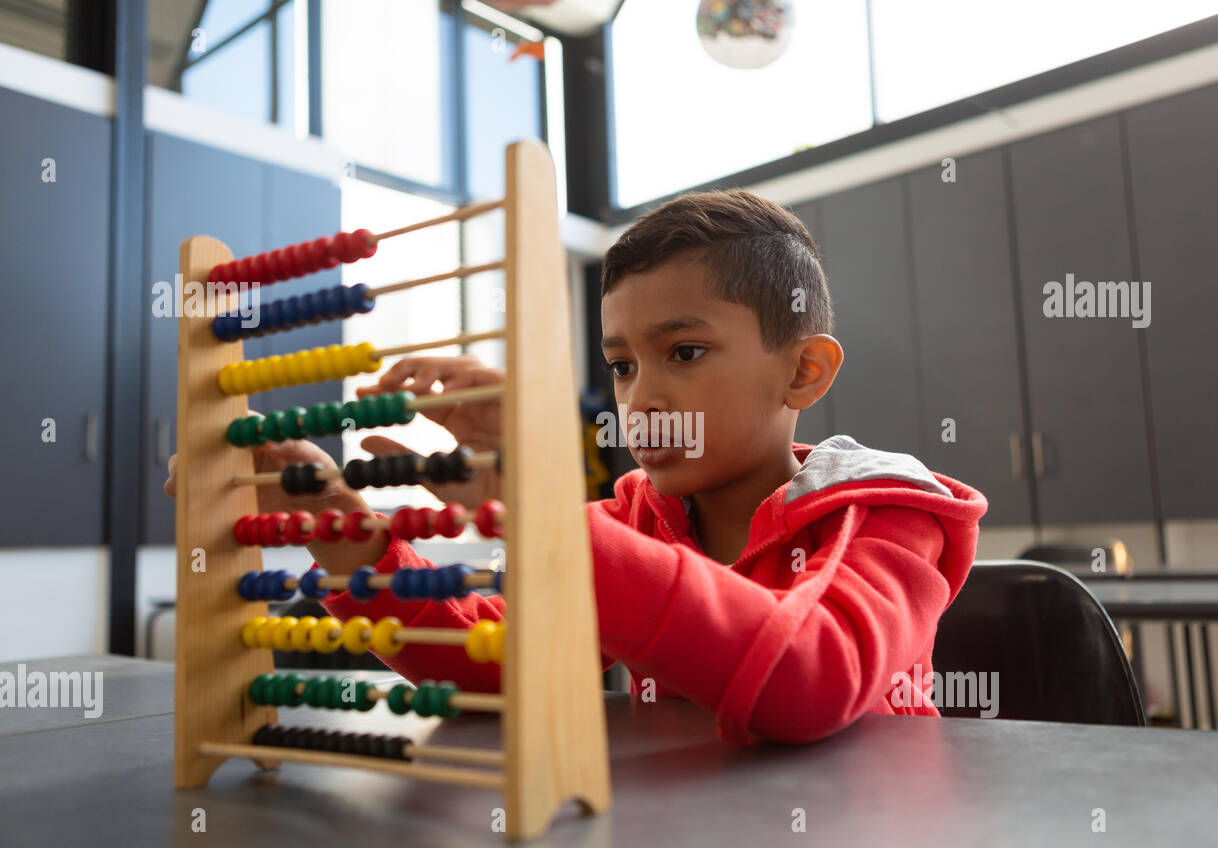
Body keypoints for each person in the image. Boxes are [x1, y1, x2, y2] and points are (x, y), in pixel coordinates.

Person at [167, 188, 988, 745]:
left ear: (803, 371)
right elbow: (497, 671)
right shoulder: (628, 521)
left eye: (686, 351)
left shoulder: (882, 513)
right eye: (623, 365)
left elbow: (809, 680)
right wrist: (353, 538)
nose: (642, 399)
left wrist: (547, 517)